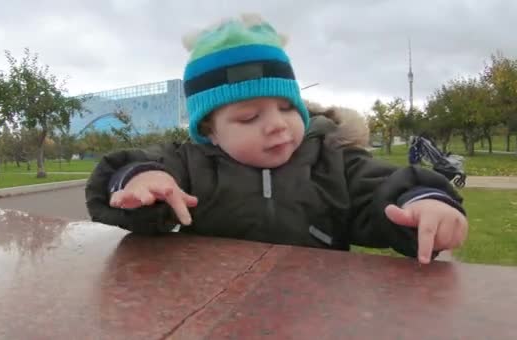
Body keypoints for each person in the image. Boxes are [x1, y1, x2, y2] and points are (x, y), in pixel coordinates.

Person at [85, 14, 468, 264]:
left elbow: (382, 189)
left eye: (287, 107)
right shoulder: (189, 163)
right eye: (249, 116)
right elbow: (133, 172)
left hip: (316, 310)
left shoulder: (330, 158)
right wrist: (143, 183)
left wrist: (422, 204)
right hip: (215, 307)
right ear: (210, 131)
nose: (277, 125)